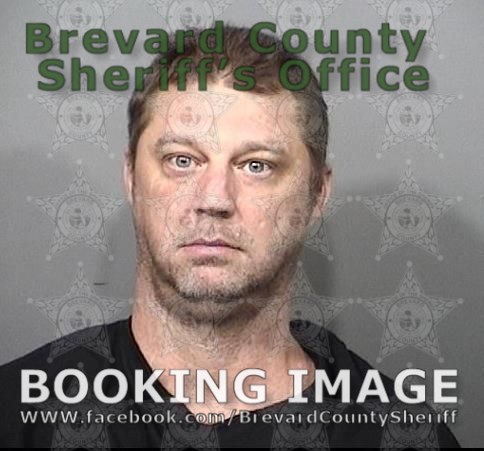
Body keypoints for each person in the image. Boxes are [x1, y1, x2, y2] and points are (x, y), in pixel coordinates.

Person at [0, 24, 460, 449]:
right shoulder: (15, 411)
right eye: (182, 160)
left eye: (256, 165)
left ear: (317, 193)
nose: (214, 199)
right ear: (131, 178)